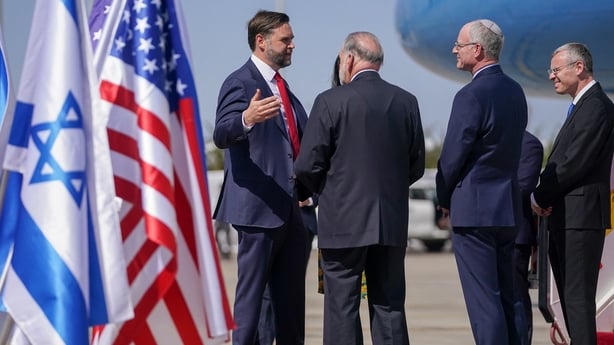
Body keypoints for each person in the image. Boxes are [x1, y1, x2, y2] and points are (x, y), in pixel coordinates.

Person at [295, 31, 425, 345]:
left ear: (349, 58)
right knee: (390, 306)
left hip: (343, 224)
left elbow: (306, 165)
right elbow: (416, 165)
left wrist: (315, 191)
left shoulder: (330, 101)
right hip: (390, 223)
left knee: (341, 308)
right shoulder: (406, 101)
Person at [212, 10, 310, 345]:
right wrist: (246, 118)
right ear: (261, 41)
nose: (292, 45)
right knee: (252, 299)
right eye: (286, 39)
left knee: (290, 301)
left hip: (292, 212)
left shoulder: (285, 90)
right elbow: (222, 134)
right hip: (257, 211)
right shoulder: (240, 82)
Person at [435, 19, 528, 345]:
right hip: (506, 208)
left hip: (473, 210)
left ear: (477, 49)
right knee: (509, 297)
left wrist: (443, 198)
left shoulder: (471, 95)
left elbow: (451, 158)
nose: (454, 50)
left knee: (484, 301)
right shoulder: (516, 92)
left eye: (459, 45)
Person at [531, 42, 614, 345]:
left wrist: (539, 196)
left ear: (578, 67)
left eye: (556, 70)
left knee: (578, 302)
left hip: (579, 220)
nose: (551, 76)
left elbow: (573, 163)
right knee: (572, 302)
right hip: (567, 218)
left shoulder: (596, 107)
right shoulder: (583, 106)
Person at [513, 131, 543, 344]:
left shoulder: (529, 144)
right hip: (483, 235)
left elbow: (524, 188)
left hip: (516, 237)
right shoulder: (485, 139)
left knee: (516, 298)